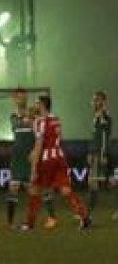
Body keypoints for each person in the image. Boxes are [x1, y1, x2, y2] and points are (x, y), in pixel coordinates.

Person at [22, 94, 91, 230]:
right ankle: (84, 217)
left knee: (34, 189)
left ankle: (29, 223)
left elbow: (39, 143)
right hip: (59, 156)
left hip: (46, 160)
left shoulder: (40, 122)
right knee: (65, 189)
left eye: (36, 103)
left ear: (42, 104)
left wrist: (34, 169)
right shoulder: (56, 119)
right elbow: (58, 137)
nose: (35, 105)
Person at [6, 89, 57, 229]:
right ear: (14, 99)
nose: (23, 100)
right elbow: (17, 128)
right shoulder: (13, 116)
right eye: (20, 98)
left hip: (32, 157)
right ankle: (9, 223)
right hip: (18, 157)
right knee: (13, 188)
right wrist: (28, 118)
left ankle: (51, 217)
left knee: (37, 189)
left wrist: (36, 151)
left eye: (24, 98)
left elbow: (39, 132)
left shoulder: (35, 116)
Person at [86, 90, 112, 219]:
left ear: (102, 101)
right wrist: (90, 151)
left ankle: (87, 214)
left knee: (98, 182)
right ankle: (87, 212)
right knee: (95, 182)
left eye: (96, 100)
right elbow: (95, 137)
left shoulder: (104, 116)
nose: (94, 102)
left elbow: (104, 137)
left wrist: (103, 154)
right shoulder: (97, 116)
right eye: (94, 100)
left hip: (100, 154)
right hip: (95, 153)